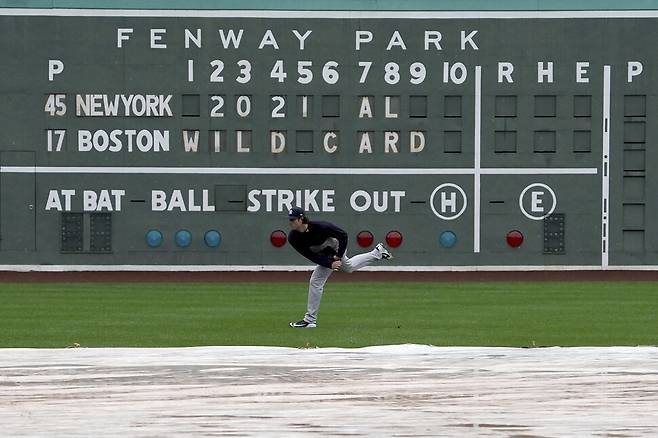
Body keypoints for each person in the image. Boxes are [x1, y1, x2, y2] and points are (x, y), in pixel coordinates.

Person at [286, 207, 392, 328]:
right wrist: (329, 263)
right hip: (325, 255)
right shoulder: (293, 237)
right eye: (290, 219)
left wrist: (338, 256)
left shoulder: (321, 227)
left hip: (336, 249)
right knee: (349, 267)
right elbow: (310, 255)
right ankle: (377, 253)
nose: (290, 222)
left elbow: (343, 235)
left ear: (301, 219)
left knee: (316, 281)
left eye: (293, 219)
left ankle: (310, 320)